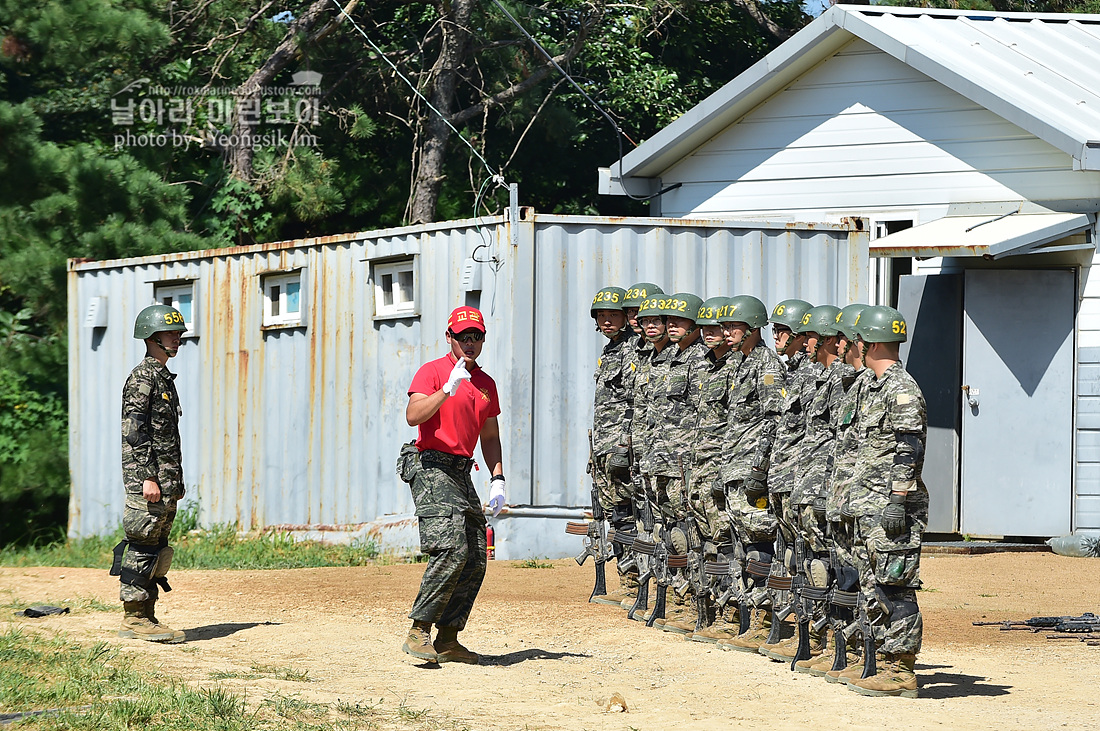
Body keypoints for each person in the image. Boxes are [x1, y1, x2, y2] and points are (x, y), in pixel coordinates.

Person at [401, 305, 506, 665]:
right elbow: (414, 415)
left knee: (477, 555)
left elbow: (490, 436)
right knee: (452, 548)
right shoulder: (433, 372)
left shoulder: (486, 383)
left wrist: (497, 478)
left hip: (462, 470)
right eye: (463, 337)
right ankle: (419, 630)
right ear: (450, 338)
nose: (471, 343)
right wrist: (447, 389)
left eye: (477, 336)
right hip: (430, 464)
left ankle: (447, 639)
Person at [845, 306, 928, 698]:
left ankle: (902, 673)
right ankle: (883, 663)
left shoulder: (902, 389)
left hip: (891, 508)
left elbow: (908, 448)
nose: (854, 346)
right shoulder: (871, 385)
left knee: (896, 587)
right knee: (873, 584)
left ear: (872, 343)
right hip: (869, 505)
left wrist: (898, 499)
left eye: (858, 340)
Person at [114, 304, 189, 643]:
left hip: (164, 482)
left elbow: (167, 437)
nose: (177, 338)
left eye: (178, 333)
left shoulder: (163, 379)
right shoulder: (143, 379)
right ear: (154, 336)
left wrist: (175, 481)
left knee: (157, 547)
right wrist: (147, 477)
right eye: (172, 333)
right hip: (148, 481)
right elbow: (134, 432)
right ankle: (133, 618)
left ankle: (146, 615)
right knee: (142, 544)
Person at [717, 295, 786, 652]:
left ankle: (765, 622)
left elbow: (775, 421)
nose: (727, 332)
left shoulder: (767, 367)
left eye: (734, 326)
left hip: (751, 471)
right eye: (726, 326)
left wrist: (760, 467)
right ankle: (748, 617)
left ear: (753, 328)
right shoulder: (738, 364)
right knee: (743, 546)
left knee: (761, 546)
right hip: (734, 466)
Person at [586, 286, 638, 607]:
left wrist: (623, 444)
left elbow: (635, 403)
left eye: (613, 315)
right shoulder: (609, 352)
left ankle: (634, 581)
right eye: (601, 316)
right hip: (603, 450)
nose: (606, 321)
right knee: (612, 513)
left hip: (621, 449)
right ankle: (624, 576)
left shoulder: (633, 351)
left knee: (626, 515)